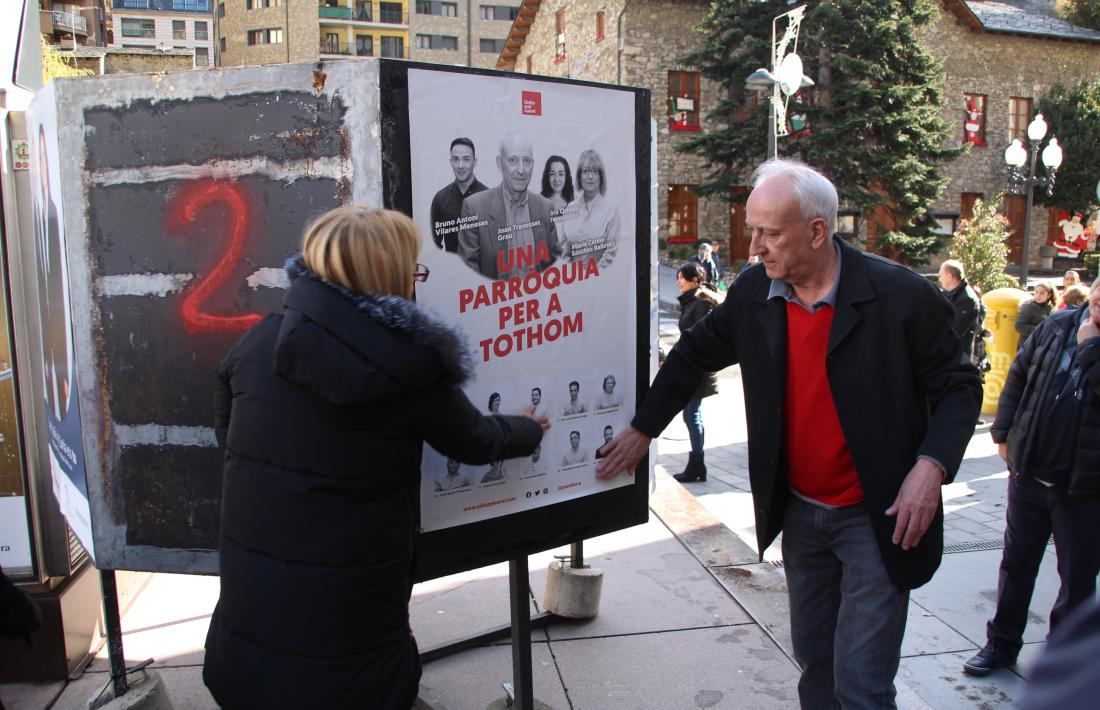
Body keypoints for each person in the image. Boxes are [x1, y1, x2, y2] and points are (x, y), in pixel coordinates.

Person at [596, 159, 981, 708]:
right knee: (816, 668)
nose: (753, 247)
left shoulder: (901, 298)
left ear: (817, 231)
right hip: (801, 515)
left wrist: (931, 466)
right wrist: (642, 429)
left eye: (769, 232)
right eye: (752, 229)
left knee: (863, 684)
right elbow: (693, 355)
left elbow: (961, 388)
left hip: (879, 518)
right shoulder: (756, 292)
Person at [203, 205, 549, 709]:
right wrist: (528, 429)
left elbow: (225, 429)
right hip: (353, 617)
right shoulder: (405, 364)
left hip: (246, 625)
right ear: (387, 273)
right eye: (414, 268)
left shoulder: (260, 339)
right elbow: (475, 440)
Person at [962, 277, 1100, 678]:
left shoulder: (1087, 338)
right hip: (1029, 475)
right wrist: (1002, 433)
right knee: (1016, 565)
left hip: (1083, 488)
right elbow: (1018, 378)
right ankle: (1001, 644)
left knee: (1076, 580)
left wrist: (1091, 347)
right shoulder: (1057, 326)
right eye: (1097, 296)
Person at [457, 131, 561, 280]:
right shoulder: (474, 208)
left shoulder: (545, 208)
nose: (521, 170)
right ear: (500, 163)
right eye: (512, 160)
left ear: (533, 164)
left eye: (526, 161)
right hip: (495, 302)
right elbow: (468, 277)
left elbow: (555, 269)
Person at [671, 262, 721, 483]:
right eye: (678, 277)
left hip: (698, 368)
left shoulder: (700, 303)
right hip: (692, 366)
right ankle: (697, 464)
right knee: (691, 415)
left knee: (692, 415)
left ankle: (697, 464)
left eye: (682, 277)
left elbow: (701, 337)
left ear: (694, 279)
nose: (678, 281)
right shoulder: (691, 301)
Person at [557, 149, 621, 268]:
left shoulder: (611, 209)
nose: (590, 176)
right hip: (573, 279)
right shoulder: (569, 210)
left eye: (595, 171)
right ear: (579, 176)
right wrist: (573, 273)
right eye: (585, 171)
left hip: (601, 279)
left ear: (601, 177)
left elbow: (612, 252)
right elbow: (564, 247)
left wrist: (591, 277)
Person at [429, 137, 487, 253]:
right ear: (450, 162)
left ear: (474, 162)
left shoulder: (488, 197)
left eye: (466, 159)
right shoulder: (440, 199)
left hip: (481, 271)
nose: (460, 165)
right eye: (455, 159)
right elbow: (434, 244)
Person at [938, 259, 982, 366]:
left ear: (949, 277)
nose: (939, 279)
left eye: (941, 275)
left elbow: (954, 331)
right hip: (946, 356)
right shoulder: (947, 294)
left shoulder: (967, 299)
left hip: (957, 360)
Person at [1016, 281, 1056, 348]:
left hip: (1041, 345)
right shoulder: (1028, 307)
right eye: (1036, 292)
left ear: (1048, 295)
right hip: (1027, 344)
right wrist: (1039, 330)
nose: (1038, 295)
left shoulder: (1050, 309)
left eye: (1042, 293)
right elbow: (1019, 326)